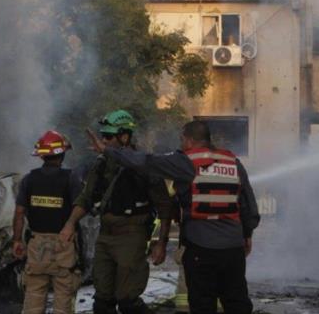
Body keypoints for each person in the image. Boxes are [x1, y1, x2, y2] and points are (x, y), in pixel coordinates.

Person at [93, 120, 260, 314]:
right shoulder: (233, 162)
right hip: (233, 248)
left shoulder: (185, 161)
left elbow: (146, 161)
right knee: (237, 302)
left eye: (181, 139)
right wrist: (247, 234)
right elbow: (248, 204)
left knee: (202, 303)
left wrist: (108, 151)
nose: (180, 143)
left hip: (200, 247)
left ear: (189, 140)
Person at [59, 110, 174, 314]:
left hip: (132, 235)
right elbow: (86, 197)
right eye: (103, 135)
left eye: (108, 136)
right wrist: (69, 224)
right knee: (102, 301)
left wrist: (161, 244)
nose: (103, 140)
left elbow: (165, 207)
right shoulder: (102, 164)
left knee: (128, 301)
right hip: (105, 236)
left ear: (124, 136)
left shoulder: (145, 165)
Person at [13, 130, 83, 314]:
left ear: (41, 156)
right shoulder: (71, 178)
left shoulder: (29, 179)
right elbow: (81, 206)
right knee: (63, 298)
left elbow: (19, 213)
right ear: (62, 154)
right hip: (64, 244)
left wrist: (17, 241)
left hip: (37, 246)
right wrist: (70, 225)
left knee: (33, 298)